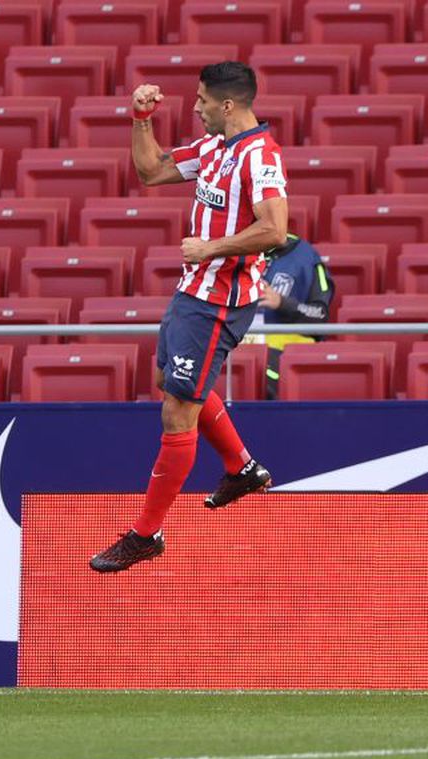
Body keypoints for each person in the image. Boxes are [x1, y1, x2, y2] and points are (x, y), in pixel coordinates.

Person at [90, 62, 289, 573]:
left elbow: (274, 230)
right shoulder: (213, 149)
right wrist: (140, 118)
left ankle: (146, 532)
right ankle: (241, 467)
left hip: (220, 299)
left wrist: (211, 248)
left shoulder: (260, 155)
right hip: (194, 292)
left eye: (202, 101)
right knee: (169, 380)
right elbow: (151, 171)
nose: (195, 108)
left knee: (178, 408)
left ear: (227, 104)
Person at [254, 234, 335, 400]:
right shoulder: (234, 251)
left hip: (284, 354)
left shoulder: (307, 256)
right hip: (238, 350)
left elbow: (320, 315)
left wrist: (282, 303)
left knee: (265, 380)